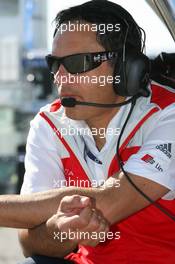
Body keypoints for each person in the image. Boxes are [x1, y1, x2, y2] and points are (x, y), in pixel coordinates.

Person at [16, 0, 175, 263]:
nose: (61, 78)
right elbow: (27, 240)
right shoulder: (49, 123)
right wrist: (58, 230)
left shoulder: (167, 113)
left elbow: (108, 201)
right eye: (55, 64)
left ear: (126, 68)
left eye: (78, 63)